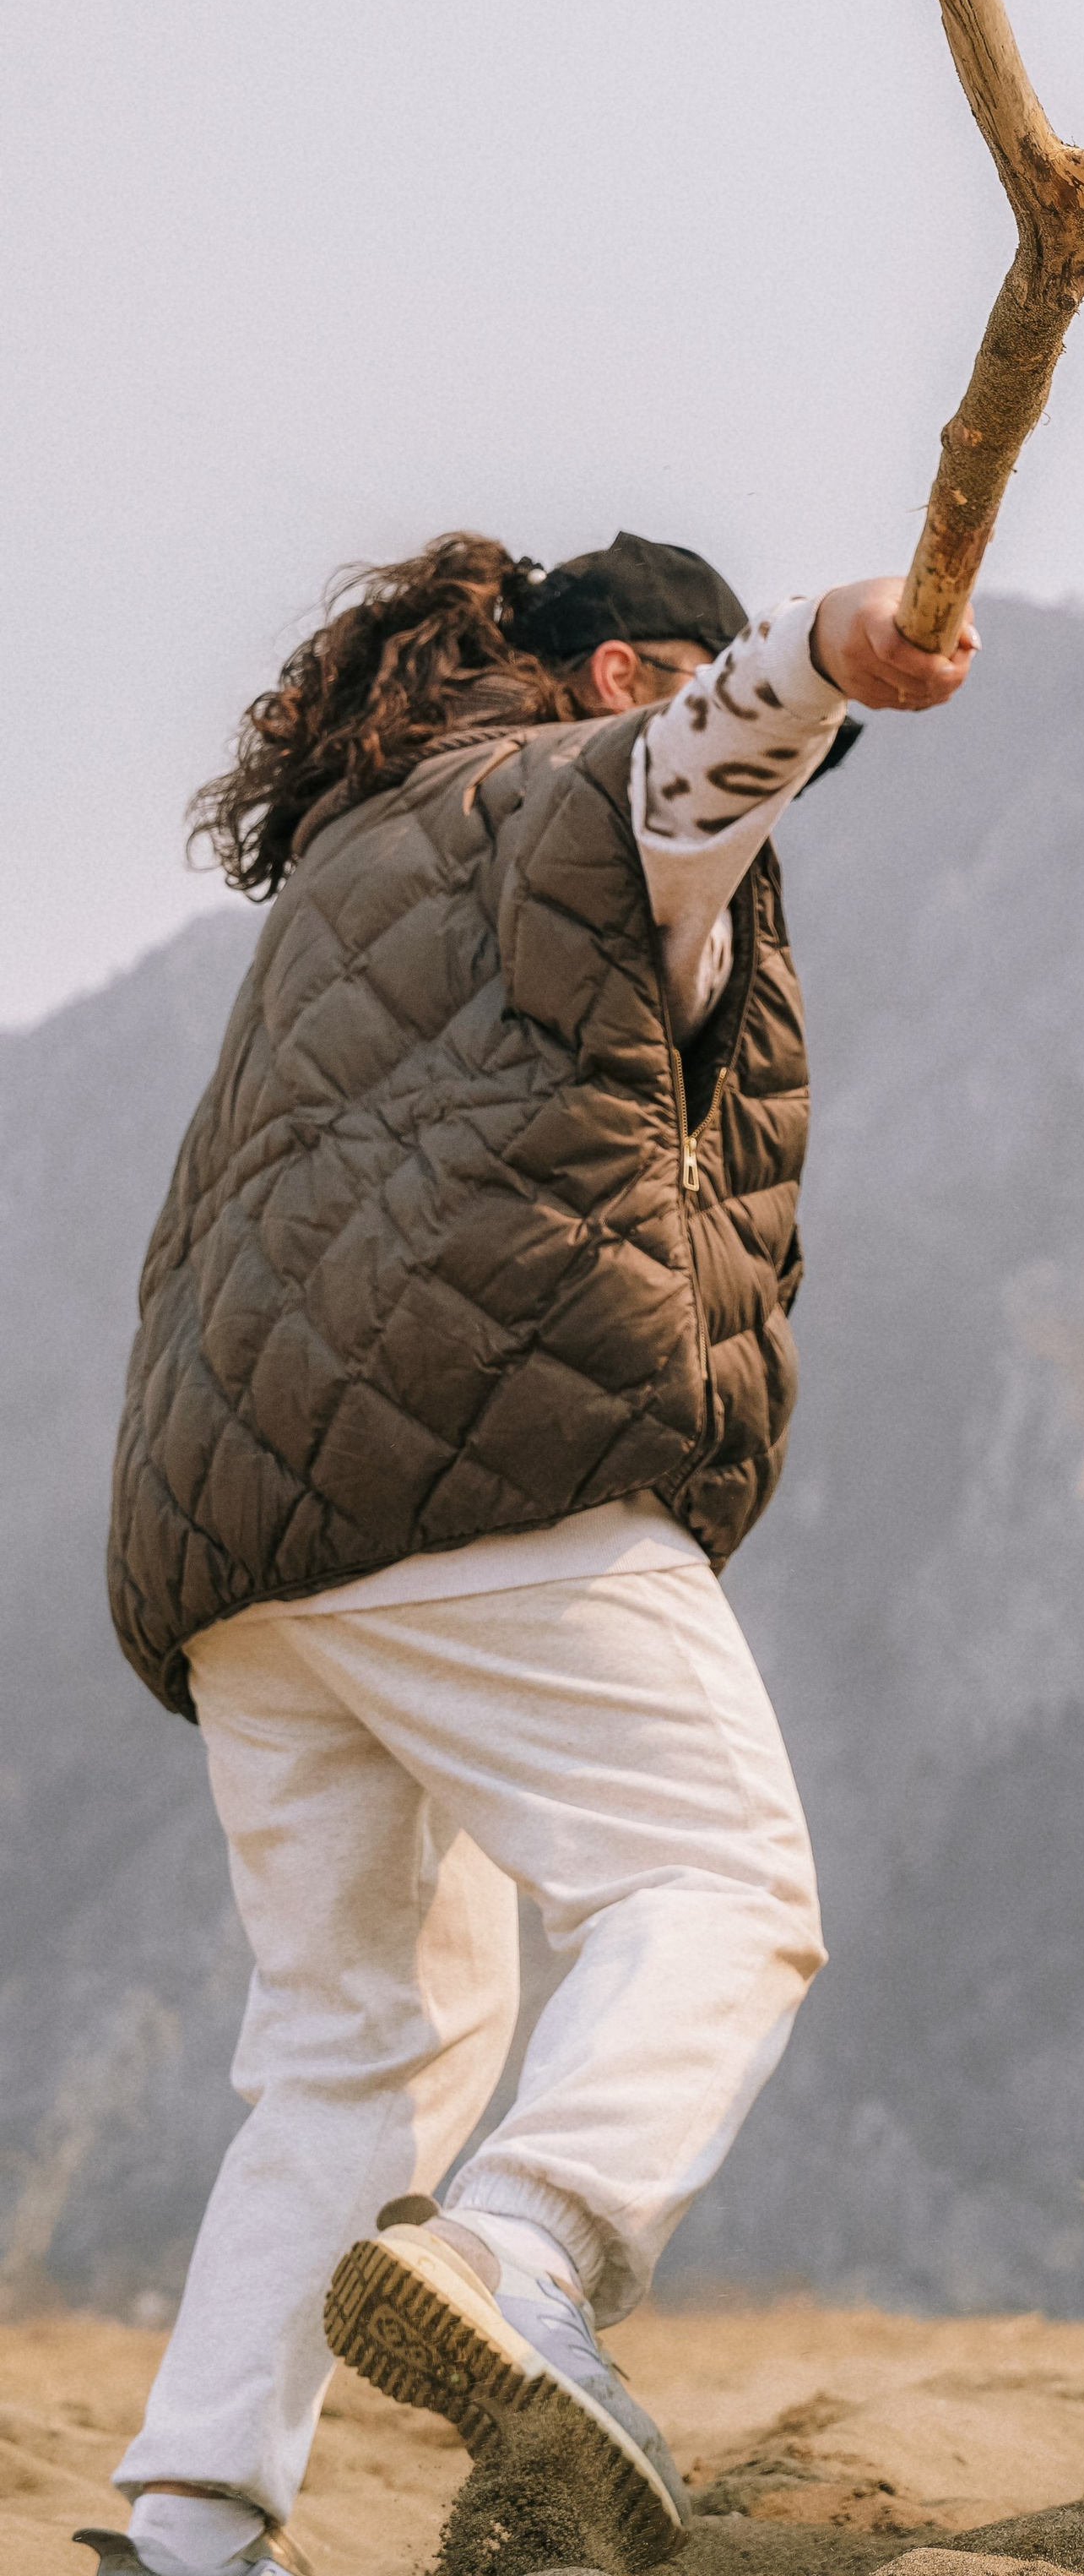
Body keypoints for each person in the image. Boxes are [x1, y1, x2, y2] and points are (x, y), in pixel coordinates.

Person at [83, 530, 975, 2576]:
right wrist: (839, 648)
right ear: (612, 678)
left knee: (353, 2047)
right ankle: (530, 2247)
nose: (780, 816)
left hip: (240, 1545)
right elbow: (703, 758)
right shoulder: (585, 803)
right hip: (473, 1469)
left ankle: (190, 2527)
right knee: (722, 1882)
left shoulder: (350, 861)